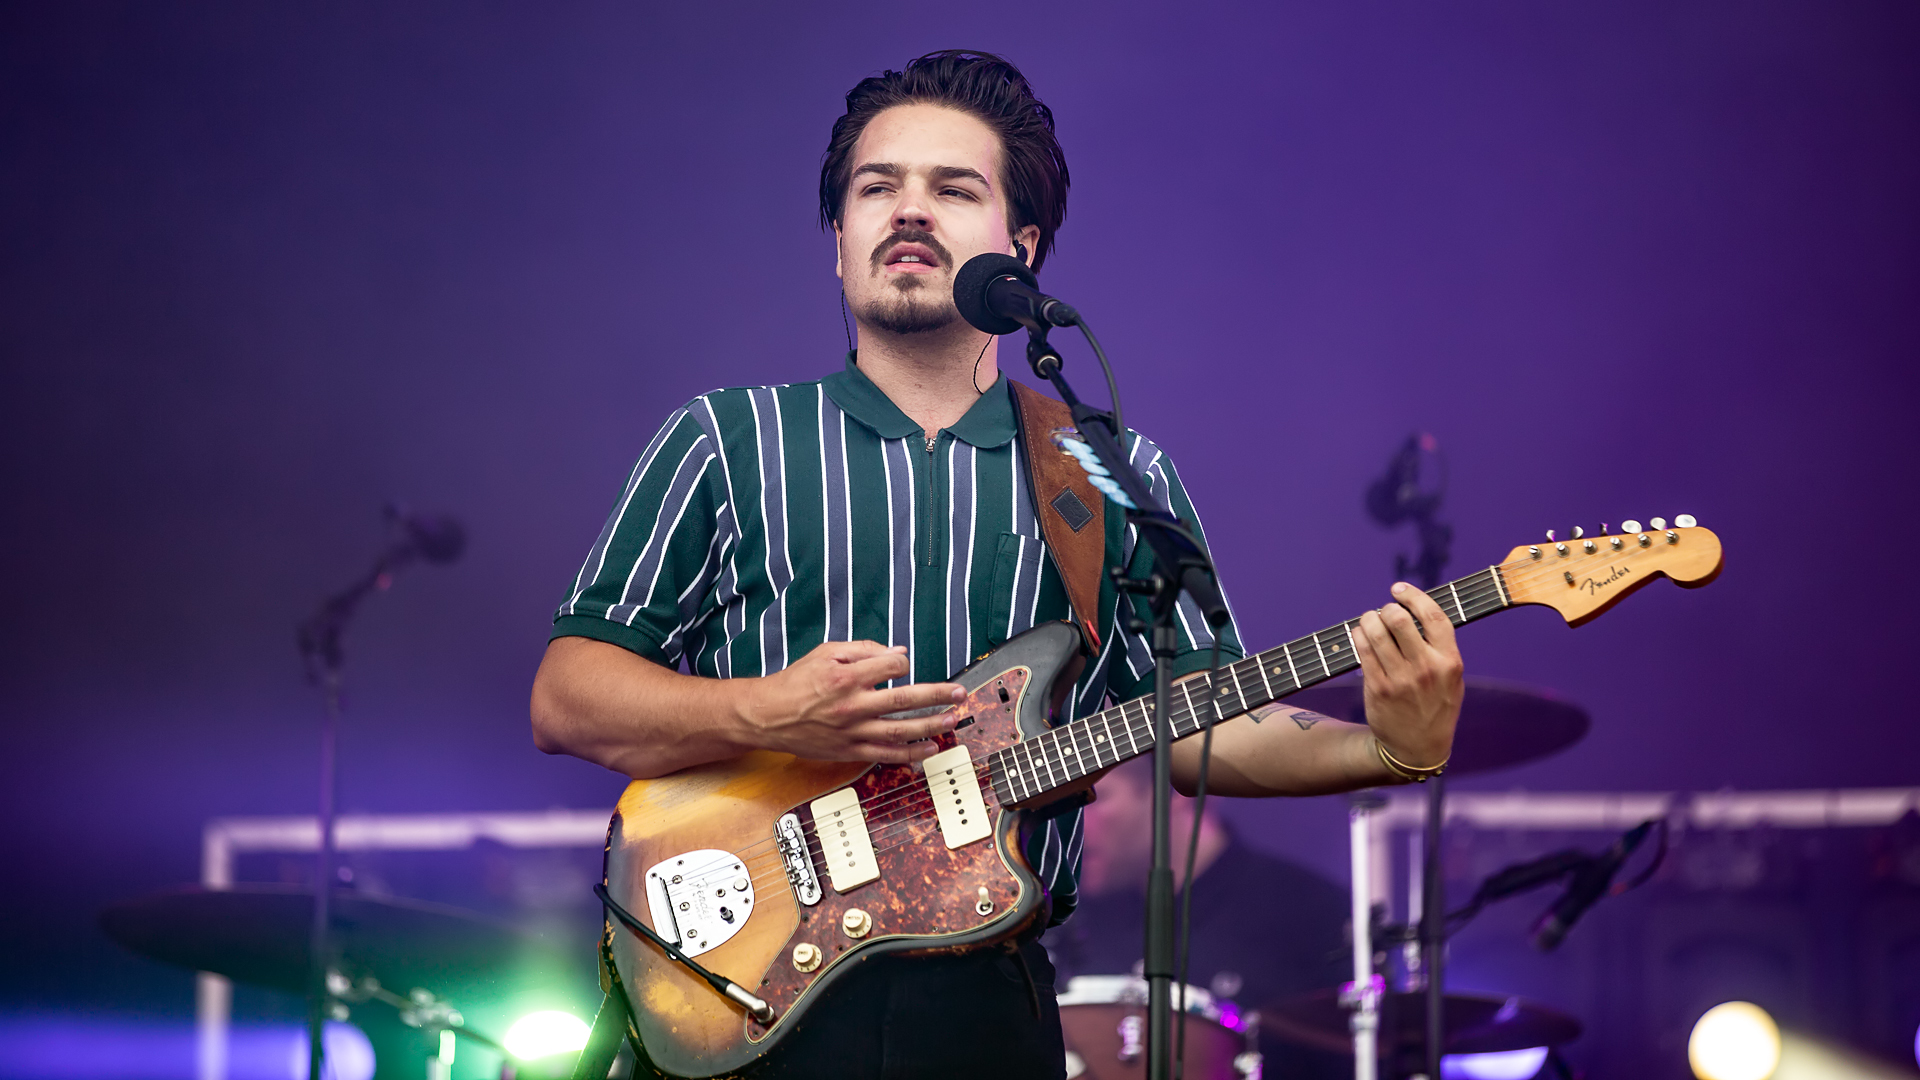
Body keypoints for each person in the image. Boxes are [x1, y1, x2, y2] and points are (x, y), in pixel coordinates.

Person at [530, 50, 1463, 1080]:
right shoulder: (724, 438)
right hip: (743, 982)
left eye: (952, 188)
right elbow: (568, 699)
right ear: (838, 243)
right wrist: (769, 714)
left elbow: (1202, 724)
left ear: (1020, 249)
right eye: (876, 187)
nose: (908, 210)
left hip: (982, 1000)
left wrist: (1389, 749)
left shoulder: (1111, 471)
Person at [1054, 752, 1353, 1079]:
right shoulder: (1070, 916)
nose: (1071, 824)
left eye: (1096, 798)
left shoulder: (1308, 914)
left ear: (1181, 792)